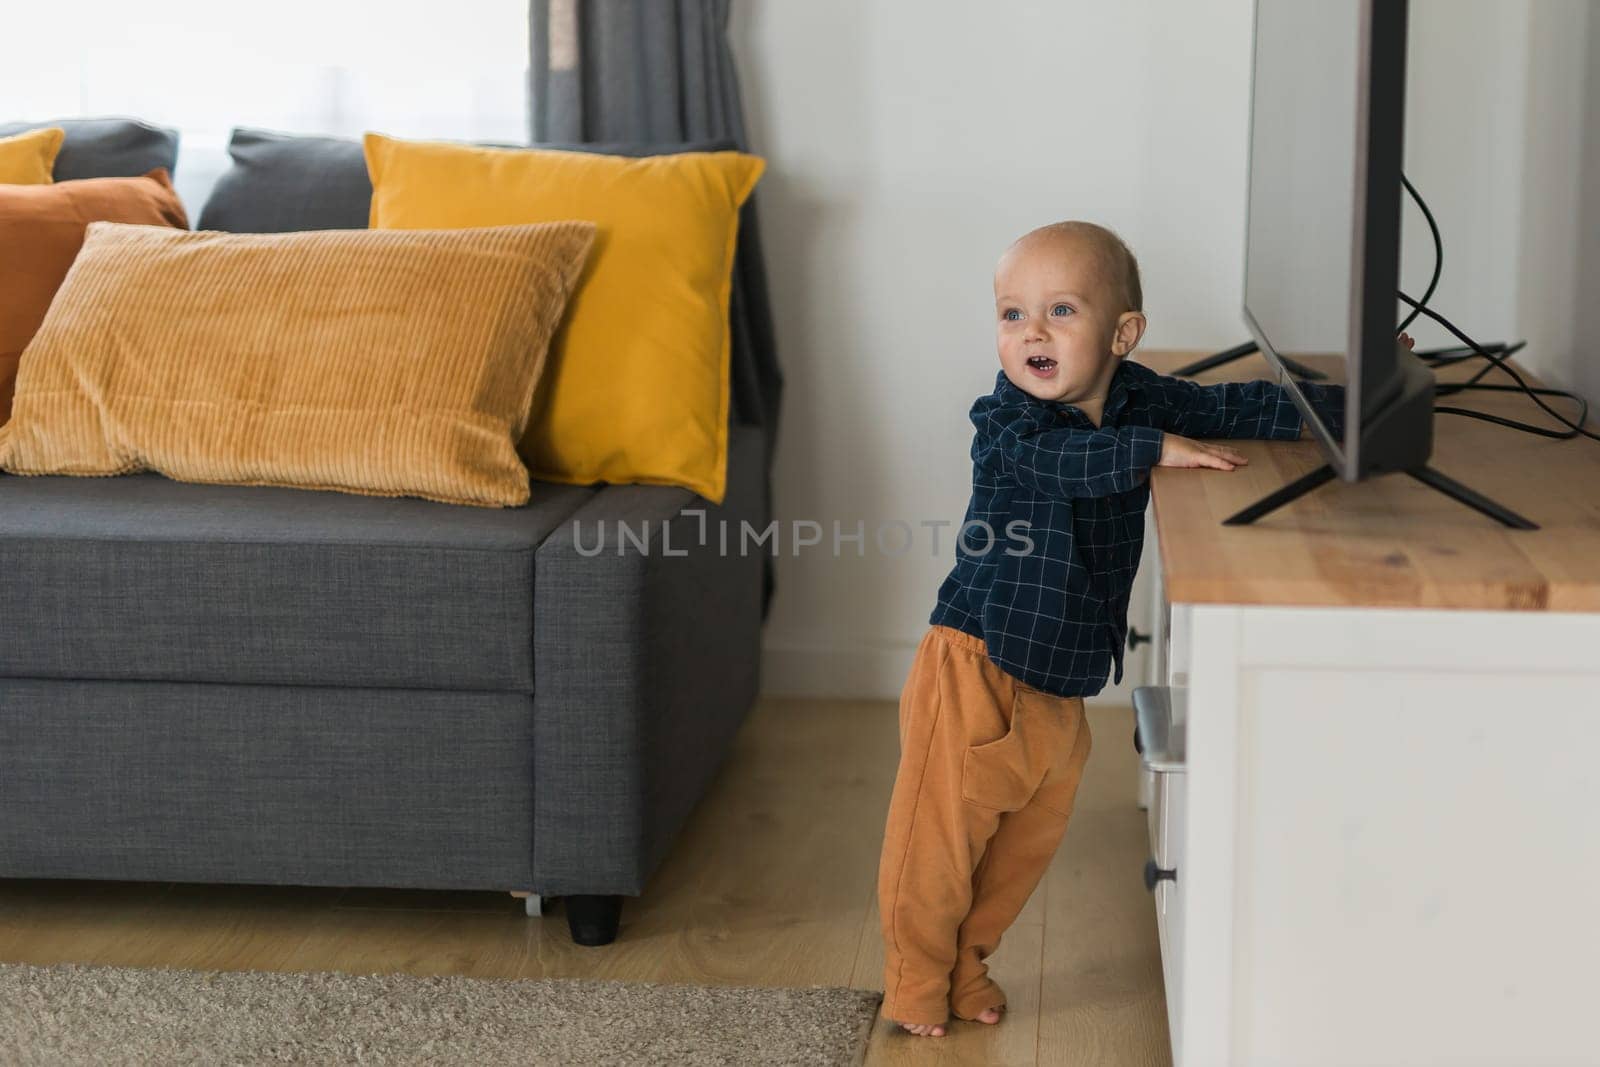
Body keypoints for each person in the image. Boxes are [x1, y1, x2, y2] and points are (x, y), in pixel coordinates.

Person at [877, 220, 1367, 1036]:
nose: (1030, 331)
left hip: (1060, 676)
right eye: (1010, 313)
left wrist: (1350, 408)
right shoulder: (1005, 421)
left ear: (1122, 333)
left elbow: (1228, 405)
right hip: (976, 662)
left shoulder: (1136, 393)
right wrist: (1151, 451)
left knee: (1021, 847)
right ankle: (914, 980)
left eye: (1059, 310)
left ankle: (968, 964)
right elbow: (1061, 464)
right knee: (937, 847)